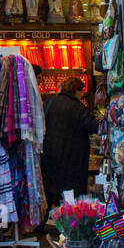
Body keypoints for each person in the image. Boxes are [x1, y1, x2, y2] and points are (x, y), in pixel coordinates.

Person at [40, 77, 98, 208]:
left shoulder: (48, 103)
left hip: (50, 159)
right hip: (72, 161)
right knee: (71, 198)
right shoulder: (78, 108)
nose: (82, 94)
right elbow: (93, 126)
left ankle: (45, 223)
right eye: (81, 91)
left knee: (51, 191)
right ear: (76, 91)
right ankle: (70, 223)